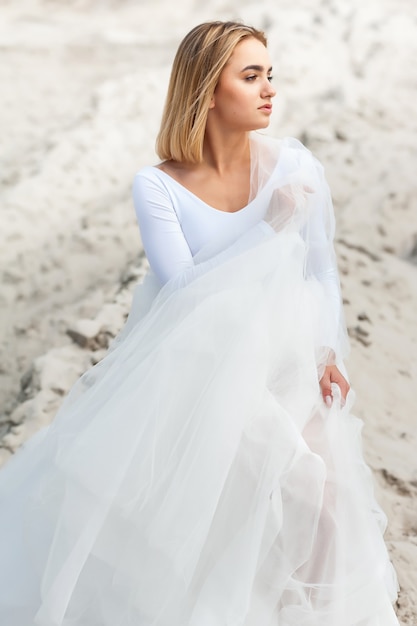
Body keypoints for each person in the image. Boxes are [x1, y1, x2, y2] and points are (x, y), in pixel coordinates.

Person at [0, 20, 400, 626]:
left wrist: (325, 352)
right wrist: (268, 226)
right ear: (208, 91)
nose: (269, 89)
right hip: (196, 370)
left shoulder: (294, 167)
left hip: (285, 360)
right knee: (230, 508)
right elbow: (185, 293)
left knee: (328, 498)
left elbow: (321, 272)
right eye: (250, 76)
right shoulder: (157, 186)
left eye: (271, 75)